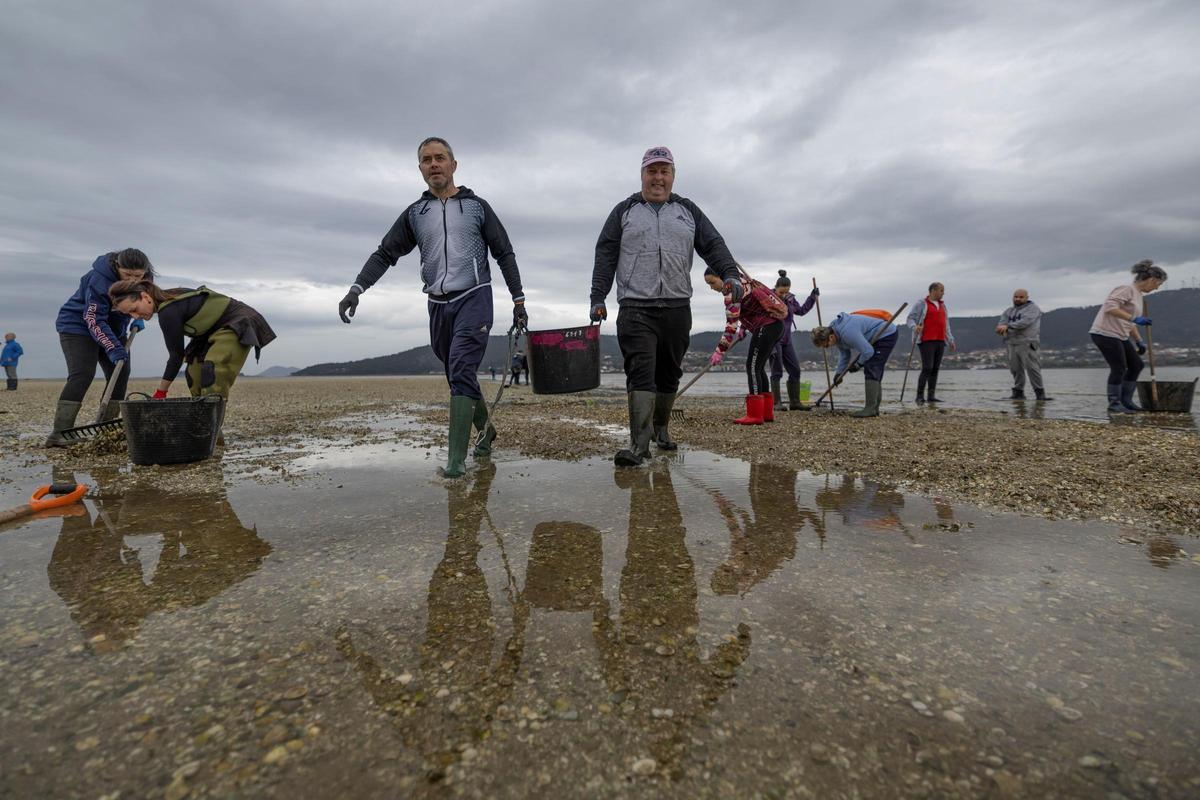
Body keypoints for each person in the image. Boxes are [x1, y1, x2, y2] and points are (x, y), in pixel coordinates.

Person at [337, 137, 528, 478]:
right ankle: (487, 430)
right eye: (427, 160)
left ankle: (456, 463)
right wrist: (356, 289)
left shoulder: (476, 207)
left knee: (459, 367)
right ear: (421, 169)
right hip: (438, 304)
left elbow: (504, 252)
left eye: (440, 158)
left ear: (454, 165)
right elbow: (385, 253)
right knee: (457, 371)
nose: (434, 164)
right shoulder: (415, 213)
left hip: (474, 296)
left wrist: (518, 299)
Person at [589, 146, 744, 465]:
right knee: (641, 371)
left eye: (664, 171)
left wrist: (730, 274)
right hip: (635, 306)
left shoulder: (687, 211)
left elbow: (713, 245)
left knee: (670, 373)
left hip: (677, 306)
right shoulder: (624, 211)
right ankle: (639, 445)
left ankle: (661, 429)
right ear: (642, 174)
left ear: (673, 176)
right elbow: (605, 254)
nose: (658, 178)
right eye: (652, 171)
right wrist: (597, 297)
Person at [109, 279, 275, 410]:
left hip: (237, 320)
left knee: (213, 371)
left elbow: (176, 356)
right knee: (194, 372)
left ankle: (213, 433)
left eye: (134, 309)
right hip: (209, 332)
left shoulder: (169, 310)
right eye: (129, 314)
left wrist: (161, 392)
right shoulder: (165, 302)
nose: (135, 316)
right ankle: (205, 425)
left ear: (145, 297)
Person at [45, 249, 152, 447]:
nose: (133, 280)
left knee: (120, 372)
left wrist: (140, 316)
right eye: (127, 275)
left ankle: (106, 427)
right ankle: (59, 433)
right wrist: (112, 347)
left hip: (114, 327)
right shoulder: (99, 280)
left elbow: (145, 299)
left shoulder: (145, 279)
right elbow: (93, 318)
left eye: (138, 276)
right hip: (78, 326)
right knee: (82, 374)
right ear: (117, 267)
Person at [706, 267, 788, 425]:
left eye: (712, 282)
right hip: (776, 326)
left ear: (721, 277)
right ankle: (766, 413)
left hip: (766, 327)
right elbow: (751, 304)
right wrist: (744, 326)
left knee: (751, 367)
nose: (711, 287)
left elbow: (730, 327)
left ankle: (755, 415)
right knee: (759, 367)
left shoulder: (731, 292)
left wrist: (719, 351)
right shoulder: (741, 279)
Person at [1088, 260, 1167, 413]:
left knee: (1137, 365)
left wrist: (1139, 341)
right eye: (1158, 284)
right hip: (1104, 333)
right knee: (1119, 368)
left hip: (1120, 335)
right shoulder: (1126, 289)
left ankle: (1126, 401)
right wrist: (1134, 318)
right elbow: (1110, 307)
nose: (1157, 287)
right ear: (1151, 280)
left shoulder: (1138, 296)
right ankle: (1114, 403)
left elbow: (1129, 323)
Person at [810, 309, 899, 418]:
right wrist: (839, 373)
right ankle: (874, 409)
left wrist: (858, 364)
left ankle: (870, 408)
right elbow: (844, 354)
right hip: (874, 338)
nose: (827, 347)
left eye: (826, 345)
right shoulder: (834, 331)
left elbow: (868, 351)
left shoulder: (847, 333)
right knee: (873, 368)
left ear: (831, 337)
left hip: (886, 333)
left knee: (872, 367)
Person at [768, 270, 818, 410]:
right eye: (781, 292)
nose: (784, 294)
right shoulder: (768, 298)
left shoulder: (790, 299)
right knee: (776, 371)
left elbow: (801, 311)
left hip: (787, 340)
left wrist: (812, 297)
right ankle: (776, 403)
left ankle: (795, 402)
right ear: (776, 288)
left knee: (795, 370)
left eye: (786, 291)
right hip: (773, 340)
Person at [905, 282, 956, 404]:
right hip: (926, 340)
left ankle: (931, 396)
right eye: (941, 290)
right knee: (927, 368)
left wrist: (950, 340)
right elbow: (910, 318)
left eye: (943, 290)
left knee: (935, 369)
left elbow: (946, 324)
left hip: (940, 340)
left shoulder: (943, 306)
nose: (943, 293)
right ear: (933, 290)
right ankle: (919, 396)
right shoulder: (921, 304)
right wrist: (914, 326)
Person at [995, 288, 1050, 401]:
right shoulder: (1008, 311)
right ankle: (1018, 393)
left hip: (1028, 342)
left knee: (1032, 368)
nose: (1018, 299)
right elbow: (1002, 323)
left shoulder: (1033, 309)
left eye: (1021, 297)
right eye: (1016, 297)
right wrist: (1000, 329)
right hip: (1011, 343)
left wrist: (1008, 327)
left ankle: (1040, 394)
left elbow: (1025, 322)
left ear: (1027, 298)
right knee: (1015, 369)